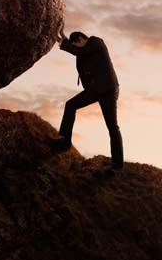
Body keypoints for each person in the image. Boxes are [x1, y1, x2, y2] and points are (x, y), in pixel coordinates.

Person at [51, 27, 123, 170]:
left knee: (112, 127)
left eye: (75, 44)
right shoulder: (83, 52)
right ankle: (65, 141)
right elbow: (77, 52)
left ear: (81, 39)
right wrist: (61, 41)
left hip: (108, 90)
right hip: (94, 90)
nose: (75, 49)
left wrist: (64, 39)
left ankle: (117, 164)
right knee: (70, 105)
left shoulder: (96, 42)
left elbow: (78, 51)